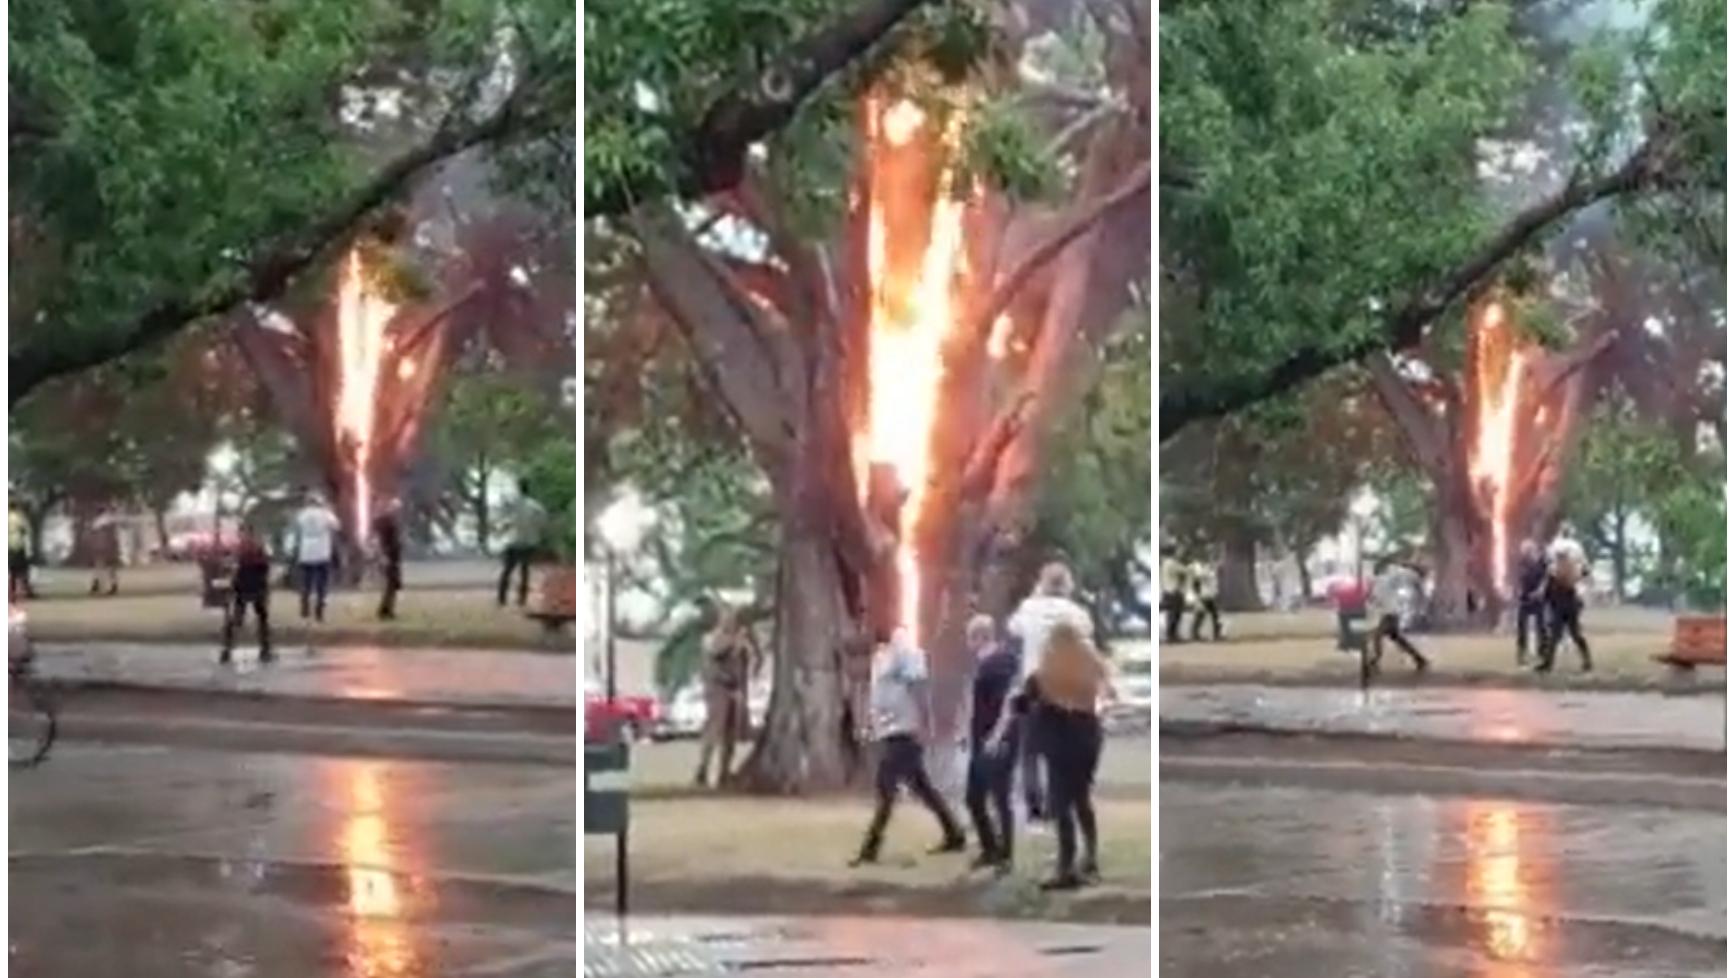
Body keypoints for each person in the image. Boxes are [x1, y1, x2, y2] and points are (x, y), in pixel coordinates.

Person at [996, 621, 1116, 890]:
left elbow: (1023, 702)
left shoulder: (1045, 672)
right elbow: (1108, 692)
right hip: (1088, 736)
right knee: (1081, 797)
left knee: (1060, 804)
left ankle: (1066, 867)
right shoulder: (1089, 665)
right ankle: (1090, 857)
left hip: (1061, 740)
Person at [850, 628, 966, 866]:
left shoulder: (899, 655)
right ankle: (954, 833)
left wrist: (926, 721)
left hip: (902, 732)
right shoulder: (880, 661)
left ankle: (870, 849)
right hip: (894, 732)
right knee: (923, 789)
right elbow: (879, 698)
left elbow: (917, 688)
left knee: (887, 789)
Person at [1006, 562, 1094, 824]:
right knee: (1060, 750)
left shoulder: (1029, 608)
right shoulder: (1076, 613)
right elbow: (1087, 634)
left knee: (1029, 751)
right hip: (1067, 687)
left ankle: (1034, 806)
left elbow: (1013, 628)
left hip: (1035, 686)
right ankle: (1059, 803)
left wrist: (1034, 596)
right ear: (1067, 585)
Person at [963, 614, 1020, 871]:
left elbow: (1008, 703)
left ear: (980, 637)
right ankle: (990, 849)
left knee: (1000, 798)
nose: (968, 644)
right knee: (974, 798)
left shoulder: (998, 664)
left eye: (970, 638)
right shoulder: (992, 662)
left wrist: (997, 735)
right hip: (982, 739)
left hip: (997, 740)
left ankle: (1005, 855)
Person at [694, 607, 757, 788]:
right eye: (727, 619)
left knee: (731, 733)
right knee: (714, 728)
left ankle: (724, 772)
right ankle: (702, 769)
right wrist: (734, 642)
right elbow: (716, 652)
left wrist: (748, 645)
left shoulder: (741, 640)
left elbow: (752, 660)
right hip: (718, 688)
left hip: (736, 689)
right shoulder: (711, 638)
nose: (731, 623)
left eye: (734, 620)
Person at [1538, 529, 1592, 674]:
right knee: (1563, 634)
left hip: (1565, 604)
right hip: (1567, 603)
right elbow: (1584, 572)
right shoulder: (1567, 567)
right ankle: (1549, 663)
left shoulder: (1560, 570)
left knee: (1570, 634)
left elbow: (1553, 580)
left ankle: (1586, 661)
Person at [221, 524, 274, 665]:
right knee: (261, 618)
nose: (243, 536)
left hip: (243, 586)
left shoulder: (238, 549)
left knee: (237, 619)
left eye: (243, 533)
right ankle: (265, 651)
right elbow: (266, 566)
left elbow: (232, 567)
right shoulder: (259, 547)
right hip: (256, 586)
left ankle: (226, 650)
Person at [1369, 558, 1430, 673]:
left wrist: (1418, 582)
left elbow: (1411, 576)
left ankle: (1375, 661)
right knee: (1397, 639)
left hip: (1391, 612)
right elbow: (1376, 597)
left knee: (1377, 636)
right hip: (1387, 611)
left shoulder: (1392, 574)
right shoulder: (1381, 579)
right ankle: (1420, 659)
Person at [292, 491, 341, 623]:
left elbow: (297, 528)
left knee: (306, 583)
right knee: (322, 583)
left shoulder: (302, 514)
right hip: (322, 552)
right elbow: (337, 526)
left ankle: (305, 609)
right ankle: (319, 610)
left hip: (306, 552)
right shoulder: (325, 514)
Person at [498, 479, 547, 608]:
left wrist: (502, 531)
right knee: (525, 571)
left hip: (514, 541)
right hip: (529, 542)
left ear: (518, 488)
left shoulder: (513, 505)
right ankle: (522, 599)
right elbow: (542, 522)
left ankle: (502, 598)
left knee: (507, 570)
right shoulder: (536, 506)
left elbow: (505, 521)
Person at [1513, 538, 1548, 666]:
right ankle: (1521, 653)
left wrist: (1540, 590)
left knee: (1541, 626)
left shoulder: (1541, 562)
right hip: (1525, 598)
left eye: (1528, 550)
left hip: (1538, 598)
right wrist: (1517, 591)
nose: (1526, 553)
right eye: (1524, 550)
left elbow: (1546, 578)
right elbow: (1518, 578)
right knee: (1522, 627)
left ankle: (1542, 652)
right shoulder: (1521, 563)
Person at [372, 501, 404, 621]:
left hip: (392, 556)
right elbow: (381, 541)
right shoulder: (385, 522)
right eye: (395, 508)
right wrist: (383, 556)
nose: (397, 511)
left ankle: (387, 609)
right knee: (390, 584)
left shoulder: (389, 521)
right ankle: (385, 610)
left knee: (393, 585)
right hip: (388, 556)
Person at [1188, 555, 1222, 641]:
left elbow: (1213, 583)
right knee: (1201, 615)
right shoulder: (1203, 572)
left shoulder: (1211, 571)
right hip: (1204, 596)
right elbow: (1196, 582)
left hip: (1210, 595)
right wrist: (1197, 596)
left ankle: (1215, 634)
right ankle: (1194, 634)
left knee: (1214, 615)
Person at [89, 510, 122, 597]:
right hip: (109, 547)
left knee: (100, 566)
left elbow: (95, 534)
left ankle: (98, 586)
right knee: (110, 567)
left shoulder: (98, 522)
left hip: (102, 547)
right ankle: (111, 586)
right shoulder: (110, 520)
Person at [1158, 545, 1187, 643]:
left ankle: (1171, 635)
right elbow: (1184, 571)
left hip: (1167, 590)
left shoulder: (1165, 563)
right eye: (1178, 552)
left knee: (1172, 614)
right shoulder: (1172, 563)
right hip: (1173, 591)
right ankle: (1172, 635)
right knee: (1175, 614)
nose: (1180, 554)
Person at [9, 506, 32, 602]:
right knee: (22, 571)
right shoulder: (20, 518)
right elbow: (27, 530)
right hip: (18, 545)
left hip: (8, 546)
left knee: (12, 572)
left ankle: (11, 593)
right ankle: (24, 591)